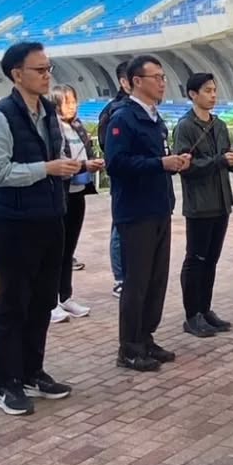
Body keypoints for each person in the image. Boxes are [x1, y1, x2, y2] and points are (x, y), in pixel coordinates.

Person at [0, 41, 80, 415]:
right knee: (13, 303)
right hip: (16, 222)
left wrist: (64, 168)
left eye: (48, 68)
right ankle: (6, 382)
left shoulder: (49, 110)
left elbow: (52, 157)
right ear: (17, 74)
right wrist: (46, 169)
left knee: (42, 301)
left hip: (50, 216)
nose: (46, 75)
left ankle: (31, 371)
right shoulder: (1, 116)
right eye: (39, 69)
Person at [104, 54, 189, 371]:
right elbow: (116, 164)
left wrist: (172, 162)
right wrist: (159, 164)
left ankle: (145, 337)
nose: (162, 83)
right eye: (157, 77)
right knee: (137, 281)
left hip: (158, 206)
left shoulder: (155, 118)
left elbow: (159, 157)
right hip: (135, 210)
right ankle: (128, 347)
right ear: (136, 81)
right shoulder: (123, 118)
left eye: (163, 77)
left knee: (156, 280)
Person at [173, 72, 233, 337]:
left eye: (214, 90)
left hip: (221, 201)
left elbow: (224, 158)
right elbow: (185, 166)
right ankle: (192, 315)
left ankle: (205, 309)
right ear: (193, 94)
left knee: (211, 259)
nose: (213, 95)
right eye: (207, 90)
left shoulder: (219, 125)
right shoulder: (185, 127)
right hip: (199, 204)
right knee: (196, 259)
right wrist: (221, 161)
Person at [50, 84, 103, 322]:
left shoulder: (77, 125)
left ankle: (65, 295)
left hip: (77, 191)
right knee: (55, 249)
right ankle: (50, 301)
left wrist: (91, 164)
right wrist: (83, 166)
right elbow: (58, 159)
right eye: (67, 101)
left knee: (69, 248)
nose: (73, 106)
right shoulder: (52, 127)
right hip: (59, 192)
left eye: (74, 101)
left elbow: (85, 152)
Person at [98, 60, 132, 297]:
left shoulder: (145, 108)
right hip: (123, 181)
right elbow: (107, 146)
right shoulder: (114, 111)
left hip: (146, 184)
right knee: (120, 228)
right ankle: (120, 277)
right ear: (124, 81)